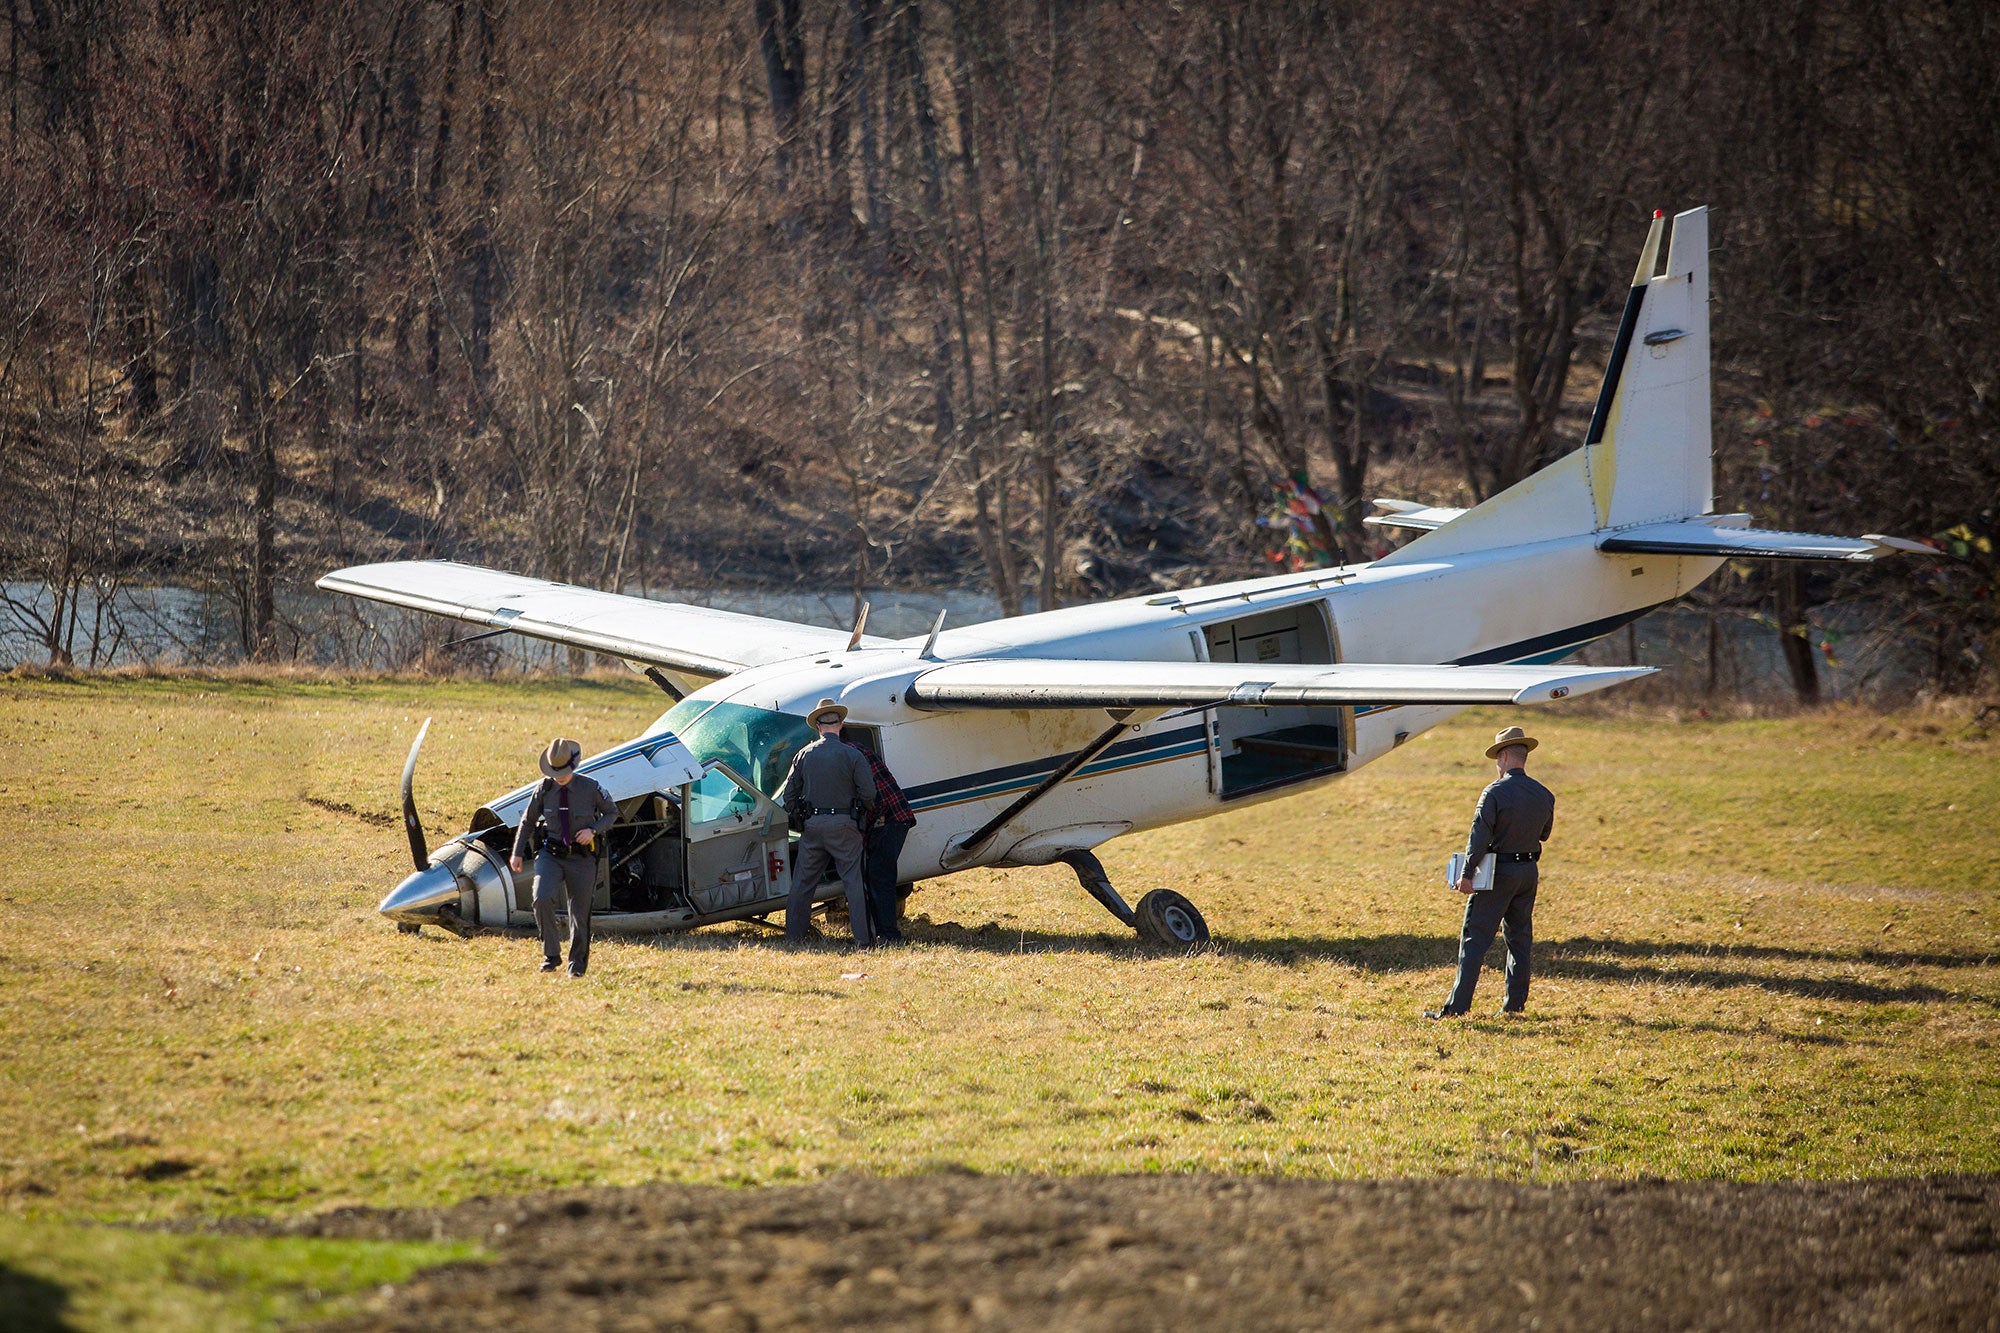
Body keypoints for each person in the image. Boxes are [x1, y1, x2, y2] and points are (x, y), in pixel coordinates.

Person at [1426, 725, 1555, 1019]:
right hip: (1528, 872)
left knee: (1475, 938)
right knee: (1520, 939)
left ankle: (1457, 1008)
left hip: (1498, 874)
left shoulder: (1494, 792)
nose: (1497, 765)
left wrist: (1467, 873)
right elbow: (1544, 834)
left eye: (1498, 759)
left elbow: (1479, 837)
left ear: (1506, 755)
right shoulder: (1544, 793)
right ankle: (1514, 1005)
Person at [510, 737, 618, 977]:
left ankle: (576, 966)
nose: (559, 776)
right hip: (551, 854)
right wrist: (517, 853)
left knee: (579, 914)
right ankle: (551, 954)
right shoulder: (544, 789)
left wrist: (593, 830)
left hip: (582, 859)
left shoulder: (591, 788)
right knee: (541, 897)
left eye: (563, 771)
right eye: (555, 771)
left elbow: (612, 813)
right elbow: (527, 821)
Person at [780, 698, 877, 946]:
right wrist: (862, 813)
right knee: (853, 883)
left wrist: (800, 816)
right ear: (841, 725)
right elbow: (869, 793)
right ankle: (864, 940)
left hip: (813, 825)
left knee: (802, 884)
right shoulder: (853, 755)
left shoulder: (804, 754)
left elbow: (788, 795)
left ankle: (793, 938)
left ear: (818, 727)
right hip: (845, 824)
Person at [855, 737, 917, 945]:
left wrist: (876, 822)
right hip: (893, 816)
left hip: (889, 818)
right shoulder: (856, 750)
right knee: (878, 874)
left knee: (879, 875)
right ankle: (882, 930)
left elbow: (874, 795)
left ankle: (889, 935)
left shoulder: (848, 756)